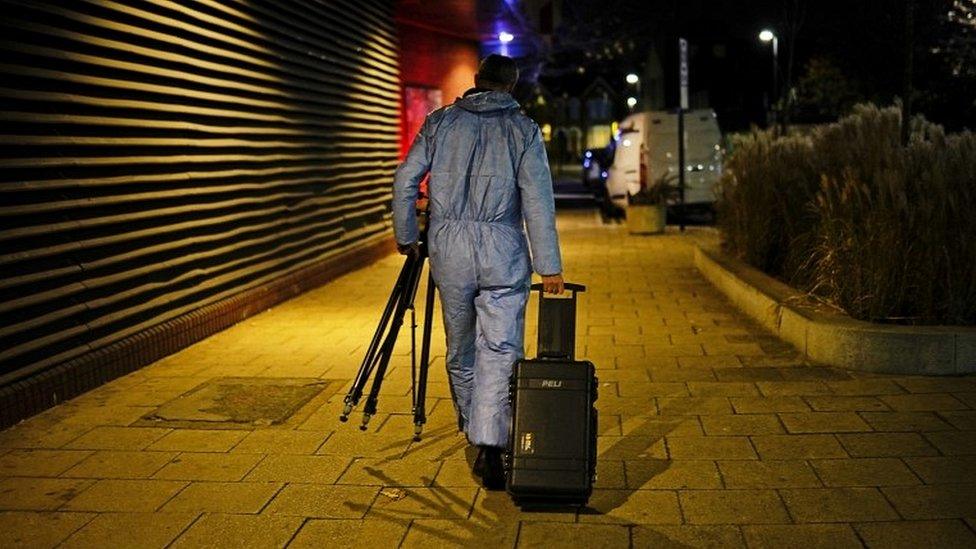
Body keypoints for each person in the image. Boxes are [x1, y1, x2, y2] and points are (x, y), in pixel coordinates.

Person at [392, 54, 563, 489]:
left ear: (476, 81)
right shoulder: (522, 130)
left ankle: (473, 424)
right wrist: (549, 268)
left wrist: (407, 235)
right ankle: (490, 442)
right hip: (503, 247)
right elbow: (538, 202)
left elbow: (405, 180)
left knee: (461, 342)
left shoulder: (440, 122)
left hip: (449, 248)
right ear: (511, 87)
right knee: (501, 346)